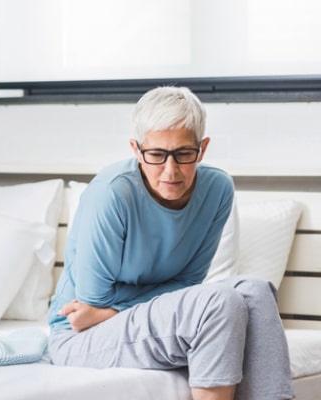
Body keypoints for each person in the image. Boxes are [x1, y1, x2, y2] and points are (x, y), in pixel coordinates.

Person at [47, 86, 294, 400]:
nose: (170, 170)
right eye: (156, 154)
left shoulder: (218, 189)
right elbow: (93, 302)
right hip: (79, 334)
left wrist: (113, 310)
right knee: (219, 302)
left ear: (202, 149)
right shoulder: (112, 193)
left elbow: (189, 282)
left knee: (255, 291)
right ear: (137, 150)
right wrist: (106, 310)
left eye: (183, 154)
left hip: (110, 318)